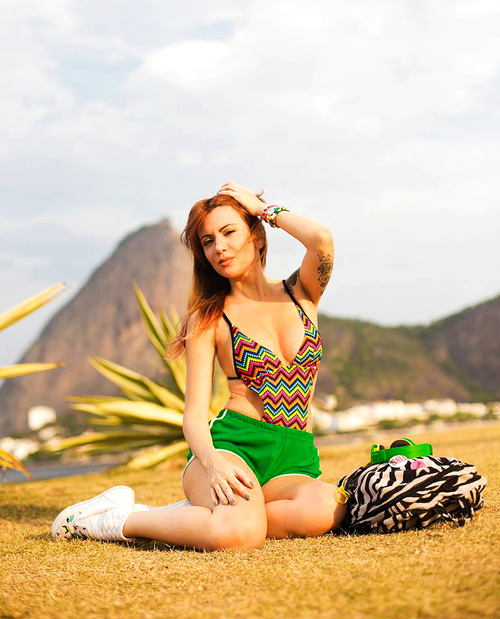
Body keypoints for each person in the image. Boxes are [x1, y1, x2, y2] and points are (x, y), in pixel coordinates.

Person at [51, 181, 347, 551]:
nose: (218, 247)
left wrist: (262, 209)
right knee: (239, 535)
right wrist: (213, 465)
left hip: (294, 456)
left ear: (257, 236)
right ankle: (114, 520)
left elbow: (321, 240)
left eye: (229, 232)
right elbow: (193, 416)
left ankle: (209, 516)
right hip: (233, 448)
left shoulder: (301, 294)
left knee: (328, 508)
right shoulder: (210, 319)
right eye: (208, 241)